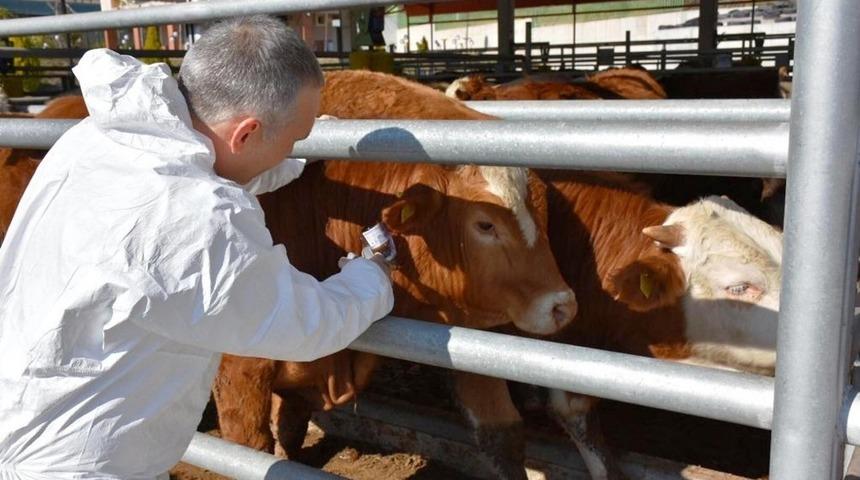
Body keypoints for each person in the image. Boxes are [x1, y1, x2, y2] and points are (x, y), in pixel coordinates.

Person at [0, 15, 394, 479]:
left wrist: (293, 156)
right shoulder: (197, 220)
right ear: (246, 133)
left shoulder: (101, 138)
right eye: (293, 139)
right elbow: (303, 324)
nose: (293, 150)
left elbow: (211, 167)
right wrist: (371, 276)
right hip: (85, 465)